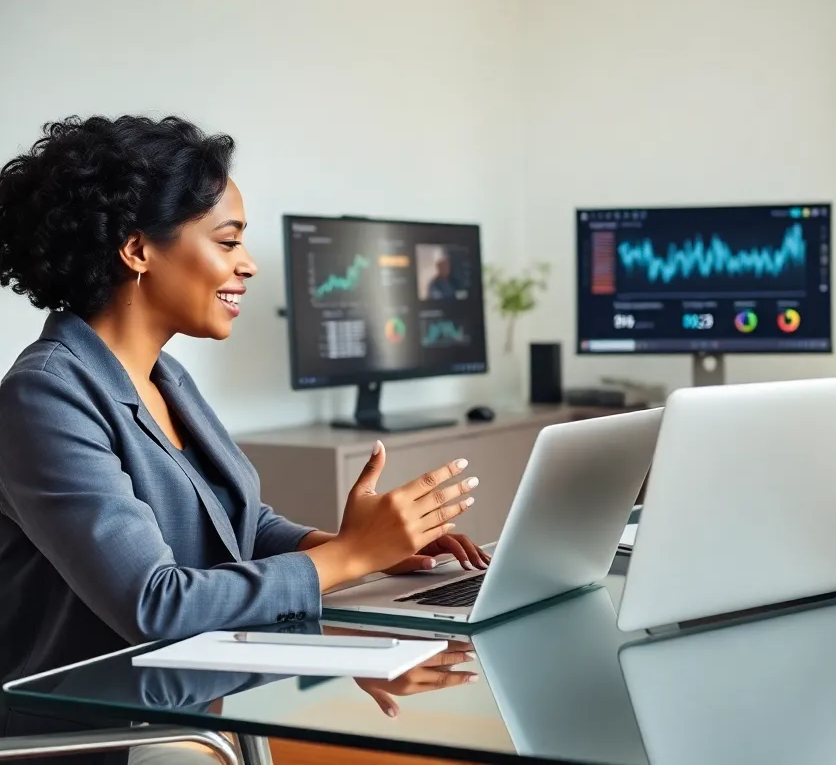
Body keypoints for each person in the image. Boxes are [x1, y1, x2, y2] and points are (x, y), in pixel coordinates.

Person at [0, 115, 491, 755]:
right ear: (137, 248)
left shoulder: (164, 376)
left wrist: (361, 543)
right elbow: (156, 606)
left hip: (189, 703)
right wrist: (349, 560)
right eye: (228, 242)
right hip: (100, 735)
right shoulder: (45, 396)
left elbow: (239, 525)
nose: (249, 265)